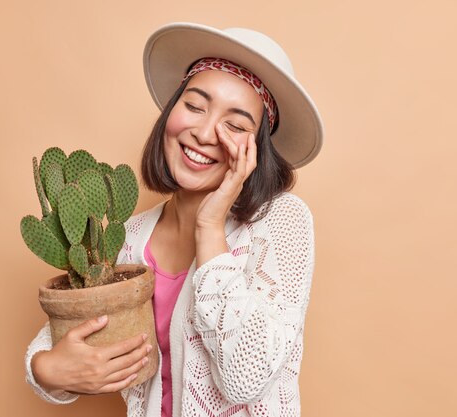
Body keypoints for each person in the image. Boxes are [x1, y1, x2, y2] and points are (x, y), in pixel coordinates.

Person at [25, 22, 324, 417]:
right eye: (195, 106)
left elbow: (245, 380)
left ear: (257, 151)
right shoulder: (127, 236)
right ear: (171, 112)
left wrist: (210, 227)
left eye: (235, 125)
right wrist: (44, 369)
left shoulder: (282, 222)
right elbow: (59, 339)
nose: (203, 133)